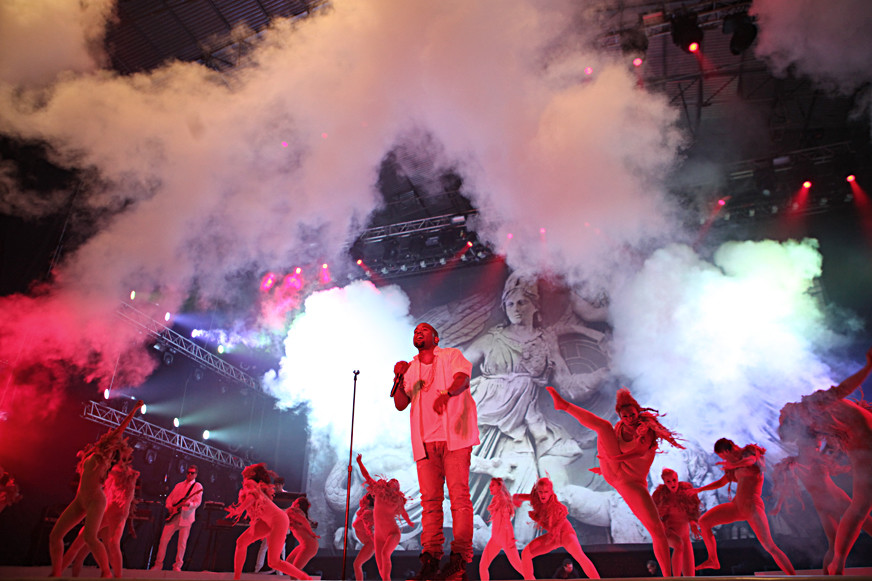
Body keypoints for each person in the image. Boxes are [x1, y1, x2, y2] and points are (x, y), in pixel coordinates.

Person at [464, 273, 609, 539]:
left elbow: (568, 386)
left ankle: (520, 551)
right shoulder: (491, 340)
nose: (516, 309)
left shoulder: (544, 341)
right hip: (482, 421)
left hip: (521, 426)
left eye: (522, 303)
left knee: (528, 483)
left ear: (535, 306)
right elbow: (458, 370)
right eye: (511, 304)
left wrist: (606, 372)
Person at [547, 386, 681, 577]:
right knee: (603, 427)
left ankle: (668, 576)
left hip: (631, 482)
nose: (629, 419)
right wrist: (606, 465)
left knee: (657, 530)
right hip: (614, 472)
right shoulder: (617, 427)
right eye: (624, 416)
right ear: (619, 415)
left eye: (632, 415)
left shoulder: (646, 430)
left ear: (638, 412)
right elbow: (611, 446)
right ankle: (564, 405)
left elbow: (640, 452)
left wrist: (614, 460)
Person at [393, 322, 478, 581]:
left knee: (459, 497)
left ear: (436, 337)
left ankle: (459, 559)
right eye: (415, 331)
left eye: (424, 330)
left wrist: (447, 394)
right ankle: (430, 559)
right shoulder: (411, 369)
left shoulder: (451, 356)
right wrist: (396, 377)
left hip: (454, 439)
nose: (418, 332)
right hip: (426, 443)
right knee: (430, 502)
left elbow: (463, 379)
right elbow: (400, 404)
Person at [776, 346, 872, 575]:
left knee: (860, 507)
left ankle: (837, 560)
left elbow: (842, 393)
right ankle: (837, 560)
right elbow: (843, 390)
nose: (784, 408)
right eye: (783, 413)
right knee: (860, 506)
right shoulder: (814, 413)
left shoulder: (815, 412)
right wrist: (868, 366)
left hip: (863, 445)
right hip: (864, 447)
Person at [49, 400, 143, 578]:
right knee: (55, 536)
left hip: (95, 501)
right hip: (80, 500)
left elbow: (120, 429)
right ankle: (56, 573)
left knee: (90, 538)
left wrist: (134, 410)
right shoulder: (91, 455)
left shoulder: (104, 455)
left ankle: (107, 572)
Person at [693, 438, 795, 575]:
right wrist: (699, 490)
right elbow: (722, 482)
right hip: (737, 506)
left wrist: (731, 466)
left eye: (723, 456)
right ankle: (713, 559)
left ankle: (793, 576)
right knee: (704, 521)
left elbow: (750, 461)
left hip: (752, 505)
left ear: (727, 450)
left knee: (769, 546)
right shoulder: (734, 464)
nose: (725, 460)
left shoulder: (750, 452)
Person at [63, 439, 140, 577]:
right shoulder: (109, 471)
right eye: (119, 458)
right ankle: (61, 572)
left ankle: (115, 576)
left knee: (111, 544)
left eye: (124, 459)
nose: (121, 461)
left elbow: (126, 500)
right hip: (106, 511)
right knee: (82, 544)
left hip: (116, 514)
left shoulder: (129, 475)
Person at [226, 463, 309, 580]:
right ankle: (237, 578)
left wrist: (239, 509)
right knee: (242, 542)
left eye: (249, 468)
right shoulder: (253, 485)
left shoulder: (250, 483)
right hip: (268, 521)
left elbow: (252, 497)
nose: (245, 469)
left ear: (253, 473)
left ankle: (305, 578)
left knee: (274, 561)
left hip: (279, 520)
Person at [512, 477, 599, 580]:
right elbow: (518, 497)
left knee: (581, 558)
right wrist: (515, 501)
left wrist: (551, 533)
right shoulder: (536, 498)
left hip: (565, 535)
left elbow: (558, 524)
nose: (543, 495)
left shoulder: (556, 507)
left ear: (551, 492)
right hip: (553, 536)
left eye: (546, 492)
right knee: (526, 553)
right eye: (540, 492)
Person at [356, 454, 414, 581]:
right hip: (379, 534)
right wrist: (359, 462)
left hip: (392, 533)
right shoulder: (378, 491)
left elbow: (403, 512)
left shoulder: (397, 499)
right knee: (379, 562)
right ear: (387, 485)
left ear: (397, 489)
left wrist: (409, 522)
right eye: (392, 482)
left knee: (385, 554)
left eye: (396, 484)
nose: (394, 483)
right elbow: (367, 477)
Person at [151, 463, 203, 571]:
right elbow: (170, 498)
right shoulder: (179, 485)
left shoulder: (198, 487)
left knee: (182, 544)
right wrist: (169, 506)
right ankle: (158, 564)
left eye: (192, 473)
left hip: (186, 517)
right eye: (188, 472)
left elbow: (198, 502)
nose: (189, 474)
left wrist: (189, 504)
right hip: (173, 516)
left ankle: (178, 566)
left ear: (196, 475)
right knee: (163, 540)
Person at [652, 468, 700, 577]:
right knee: (678, 544)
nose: (672, 484)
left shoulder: (686, 490)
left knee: (690, 576)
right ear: (664, 482)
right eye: (668, 482)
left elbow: (693, 511)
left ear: (677, 478)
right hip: (669, 533)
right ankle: (675, 578)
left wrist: (693, 523)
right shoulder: (659, 495)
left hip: (685, 536)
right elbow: (653, 514)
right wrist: (662, 525)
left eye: (674, 480)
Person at [479, 478, 523, 581]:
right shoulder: (497, 499)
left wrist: (510, 539)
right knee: (483, 565)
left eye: (492, 485)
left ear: (499, 486)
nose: (490, 487)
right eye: (490, 485)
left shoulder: (502, 499)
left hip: (505, 538)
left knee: (519, 567)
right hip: (496, 538)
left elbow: (506, 521)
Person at [255, 477, 289, 574]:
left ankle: (280, 573)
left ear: (282, 485)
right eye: (276, 484)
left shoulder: (287, 495)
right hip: (270, 524)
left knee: (281, 548)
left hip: (281, 525)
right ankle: (257, 569)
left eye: (279, 484)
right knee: (264, 546)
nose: (278, 486)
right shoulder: (271, 494)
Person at [287, 495, 319, 572]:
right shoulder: (298, 513)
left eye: (294, 502)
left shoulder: (293, 511)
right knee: (289, 563)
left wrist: (311, 533)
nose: (292, 502)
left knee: (295, 569)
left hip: (309, 546)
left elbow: (303, 520)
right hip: (306, 545)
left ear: (297, 505)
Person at [352, 492, 375, 581]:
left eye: (365, 499)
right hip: (368, 542)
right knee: (357, 564)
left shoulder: (369, 513)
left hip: (370, 543)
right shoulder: (365, 511)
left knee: (357, 564)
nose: (362, 500)